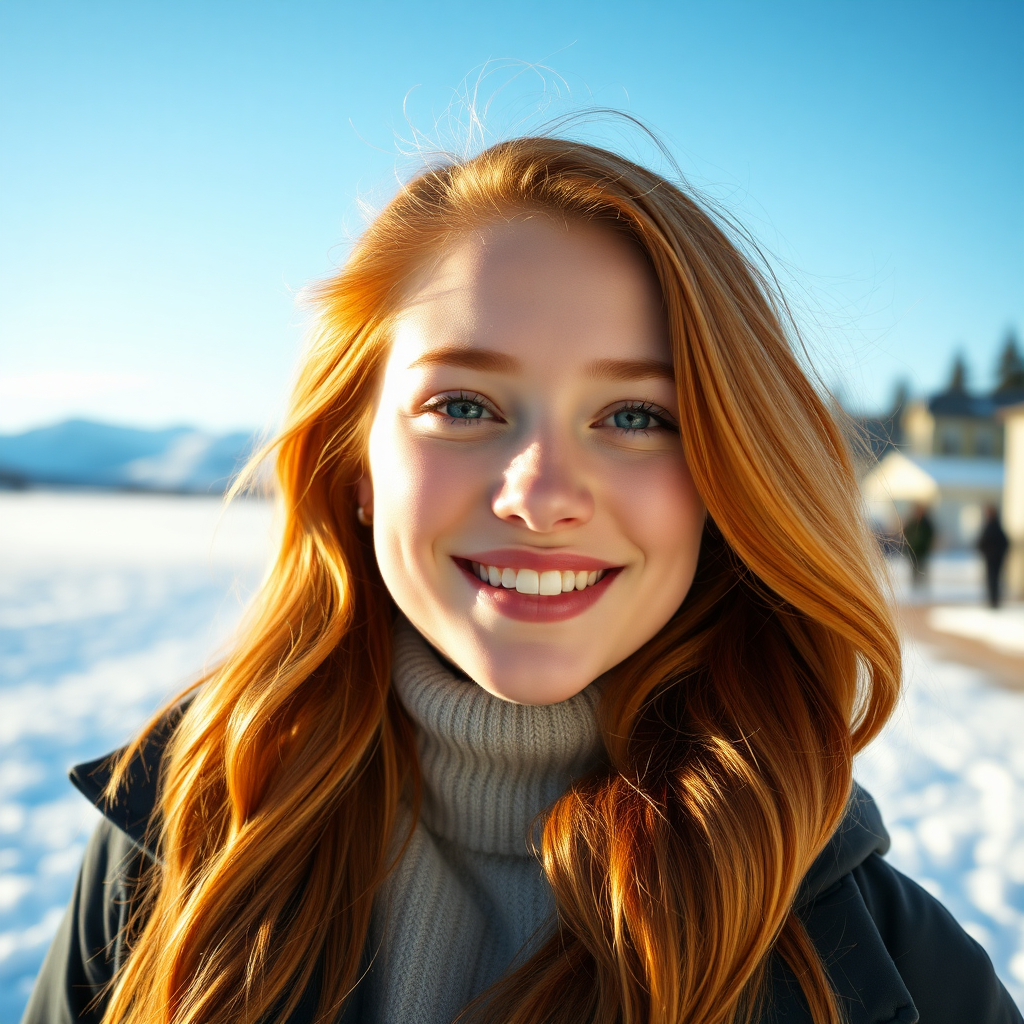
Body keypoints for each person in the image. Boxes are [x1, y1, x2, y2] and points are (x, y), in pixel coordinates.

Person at [24, 138, 1020, 1024]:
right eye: (462, 404)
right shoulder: (183, 844)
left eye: (635, 416)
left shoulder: (892, 976)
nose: (540, 496)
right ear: (353, 465)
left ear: (726, 482)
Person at [978, 505, 1011, 609]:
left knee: (993, 580)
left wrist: (991, 551)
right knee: (993, 580)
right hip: (993, 558)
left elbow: (1004, 543)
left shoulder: (993, 526)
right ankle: (993, 601)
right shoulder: (994, 526)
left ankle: (994, 602)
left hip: (993, 559)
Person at [902, 502, 936, 589]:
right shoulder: (913, 521)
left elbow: (930, 535)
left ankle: (923, 586)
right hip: (913, 550)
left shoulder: (926, 522)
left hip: (922, 550)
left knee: (923, 567)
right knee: (914, 568)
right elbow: (906, 532)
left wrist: (927, 545)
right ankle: (915, 585)